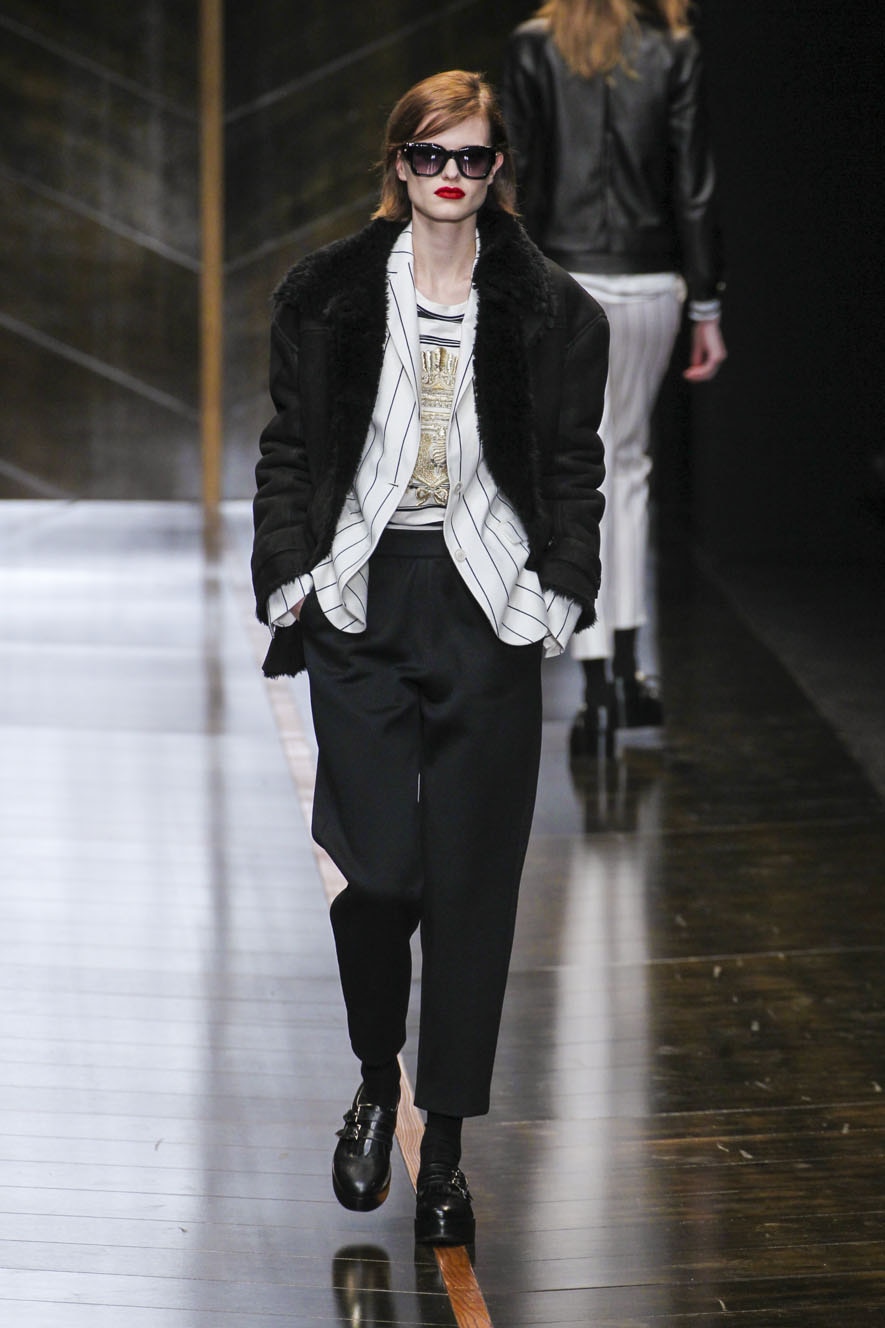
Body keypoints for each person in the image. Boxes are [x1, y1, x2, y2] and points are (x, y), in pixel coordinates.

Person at [250, 70, 608, 1247]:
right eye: (429, 155)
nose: (449, 177)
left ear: (499, 170)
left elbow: (575, 464)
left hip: (487, 606)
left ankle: (442, 1148)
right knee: (379, 872)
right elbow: (290, 447)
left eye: (471, 157)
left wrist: (560, 592)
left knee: (472, 886)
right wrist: (293, 577)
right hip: (362, 596)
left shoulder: (557, 312)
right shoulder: (327, 296)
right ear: (397, 162)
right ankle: (375, 1073)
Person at [501, 0, 727, 756]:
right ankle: (627, 670)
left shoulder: (535, 45)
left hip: (562, 278)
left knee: (579, 471)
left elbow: (517, 178)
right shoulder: (672, 48)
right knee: (627, 466)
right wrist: (707, 303)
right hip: (648, 279)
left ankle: (596, 682)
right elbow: (692, 182)